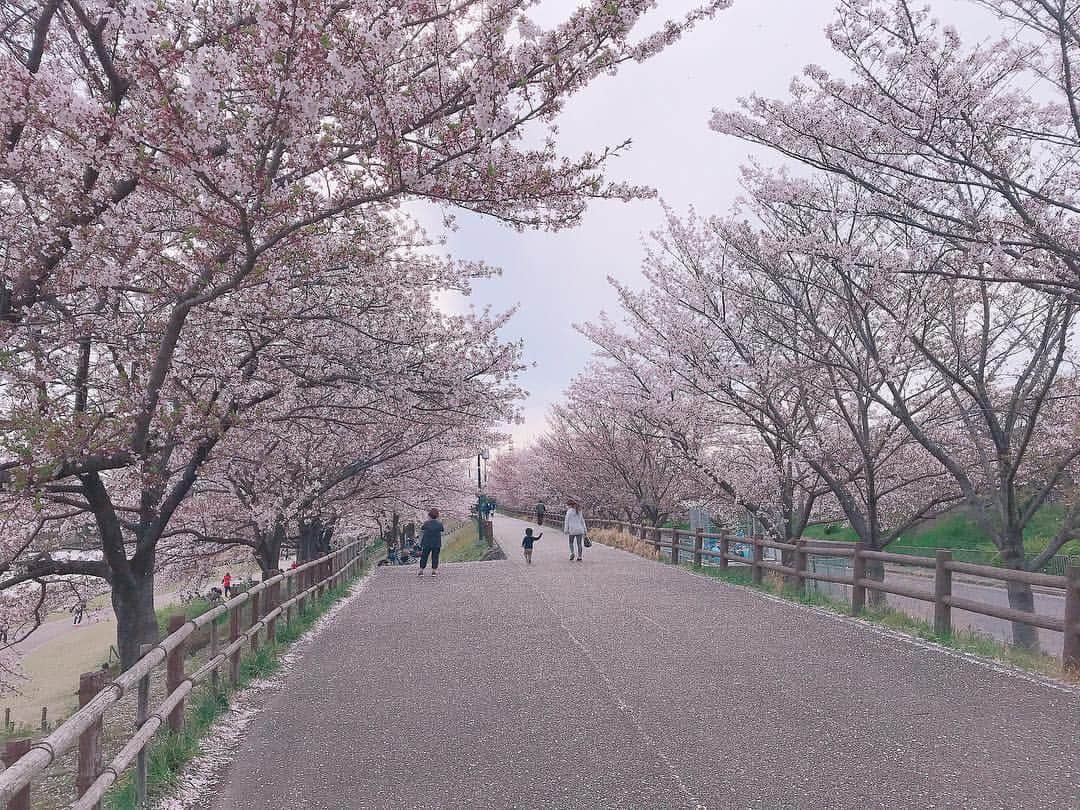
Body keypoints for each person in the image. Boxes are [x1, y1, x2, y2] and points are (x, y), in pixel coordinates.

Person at [418, 508, 444, 577]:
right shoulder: (439, 524)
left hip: (427, 543)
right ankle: (434, 571)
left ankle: (421, 570)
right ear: (437, 516)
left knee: (424, 556)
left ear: (429, 515)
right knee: (435, 556)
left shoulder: (426, 523)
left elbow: (422, 528)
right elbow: (442, 529)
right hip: (436, 543)